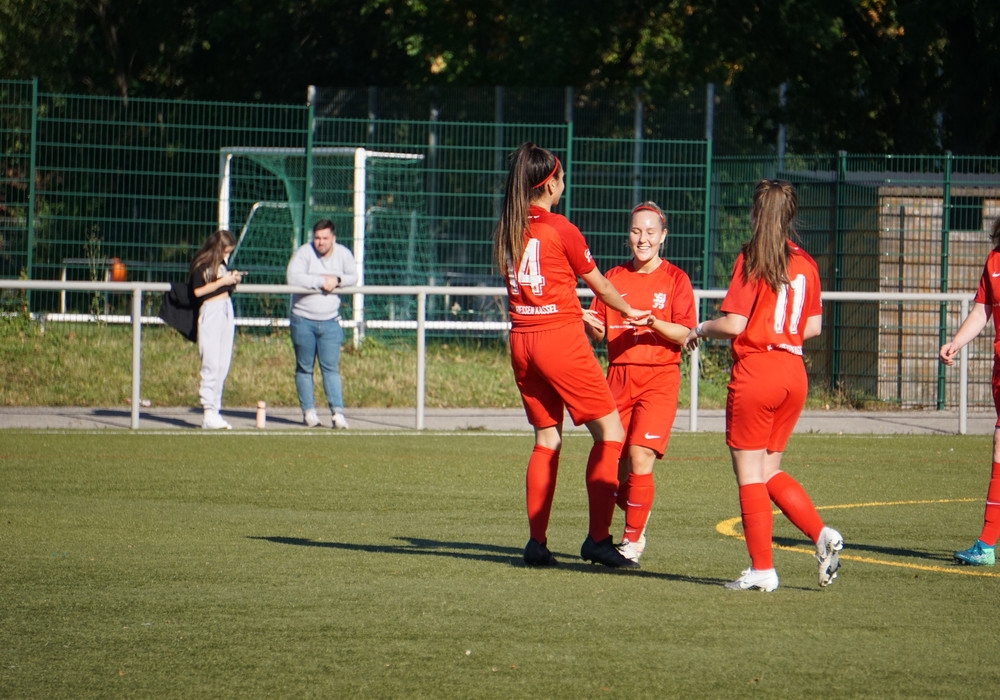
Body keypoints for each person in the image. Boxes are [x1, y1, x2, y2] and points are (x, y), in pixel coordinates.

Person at [493, 142, 649, 569]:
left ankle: (537, 543)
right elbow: (600, 284)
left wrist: (568, 307)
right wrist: (629, 310)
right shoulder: (560, 227)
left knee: (547, 439)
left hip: (522, 340)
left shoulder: (509, 225)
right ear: (549, 185)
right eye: (561, 178)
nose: (564, 184)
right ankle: (598, 539)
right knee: (611, 434)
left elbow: (537, 285)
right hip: (558, 341)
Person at [684, 179, 843, 591]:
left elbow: (735, 324)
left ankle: (762, 569)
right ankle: (821, 534)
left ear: (755, 213)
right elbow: (813, 326)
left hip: (758, 371)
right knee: (769, 470)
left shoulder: (753, 256)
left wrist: (700, 327)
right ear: (790, 216)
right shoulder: (806, 262)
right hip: (793, 371)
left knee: (749, 475)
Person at [583, 201, 697, 563]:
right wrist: (588, 323)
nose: (642, 239)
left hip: (659, 377)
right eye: (636, 231)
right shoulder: (612, 278)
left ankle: (631, 543)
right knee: (613, 469)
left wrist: (653, 323)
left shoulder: (676, 279)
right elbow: (599, 334)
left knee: (640, 454)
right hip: (617, 377)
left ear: (663, 236)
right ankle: (633, 516)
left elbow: (685, 333)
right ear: (628, 235)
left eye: (650, 232)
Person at [940, 217, 1000, 566]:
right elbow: (982, 310)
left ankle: (987, 544)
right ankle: (987, 545)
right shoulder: (994, 261)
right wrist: (957, 342)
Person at [287, 219, 358, 429]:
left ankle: (337, 413)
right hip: (302, 319)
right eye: (317, 238)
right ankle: (309, 412)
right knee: (304, 367)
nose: (321, 242)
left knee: (330, 368)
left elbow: (353, 276)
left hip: (330, 321)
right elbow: (293, 277)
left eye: (325, 238)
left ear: (333, 238)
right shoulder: (304, 253)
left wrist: (336, 280)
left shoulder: (343, 254)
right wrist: (320, 281)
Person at [189, 229, 243, 430]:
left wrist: (233, 279)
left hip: (225, 309)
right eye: (225, 251)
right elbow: (198, 291)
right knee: (211, 363)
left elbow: (223, 286)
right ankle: (208, 411)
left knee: (222, 364)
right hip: (211, 311)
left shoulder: (221, 264)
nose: (226, 255)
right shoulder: (201, 264)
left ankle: (215, 409)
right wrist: (222, 281)